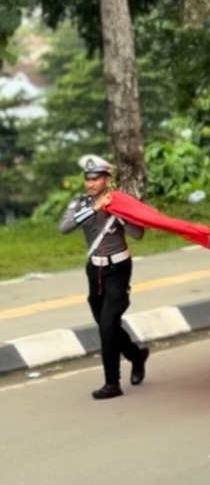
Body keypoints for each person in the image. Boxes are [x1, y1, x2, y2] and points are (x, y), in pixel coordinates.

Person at [58, 155, 149, 400]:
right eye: (88, 179)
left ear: (107, 180)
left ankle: (112, 383)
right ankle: (136, 355)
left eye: (96, 179)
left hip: (118, 268)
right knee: (106, 324)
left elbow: (138, 234)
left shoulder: (120, 201)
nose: (91, 184)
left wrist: (120, 214)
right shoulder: (80, 203)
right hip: (95, 269)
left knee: (108, 324)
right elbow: (64, 227)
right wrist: (94, 209)